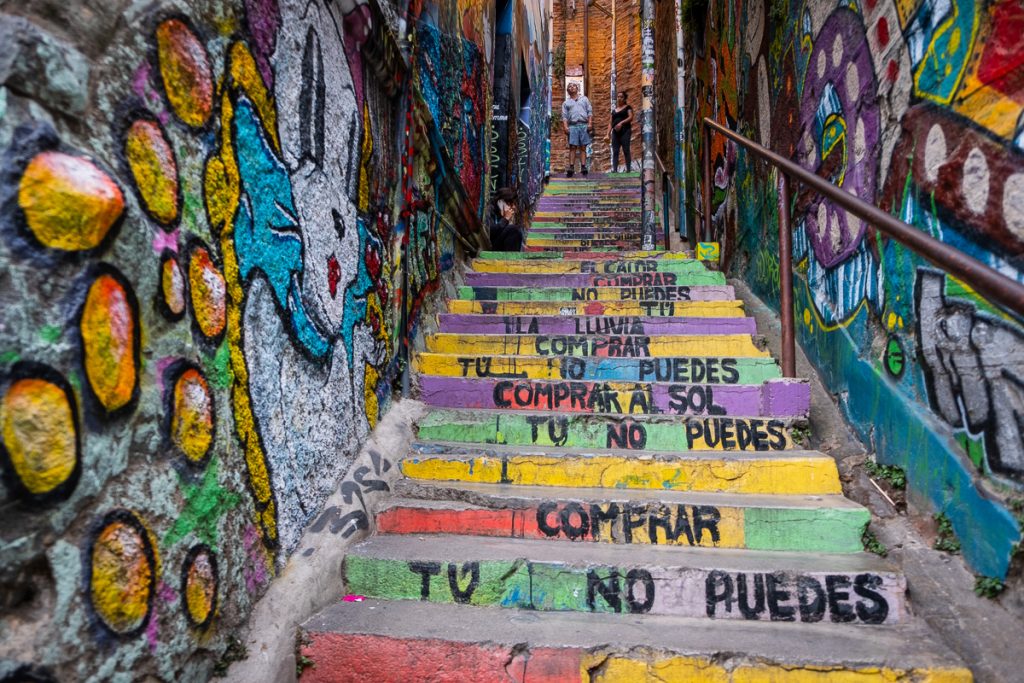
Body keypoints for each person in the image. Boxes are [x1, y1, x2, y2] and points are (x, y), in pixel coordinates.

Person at [561, 82, 593, 177]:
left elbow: (589, 112)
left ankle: (583, 166)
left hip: (583, 124)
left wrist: (590, 123)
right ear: (568, 90)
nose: (572, 87)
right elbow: (564, 116)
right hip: (573, 126)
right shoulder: (566, 103)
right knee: (573, 147)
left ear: (577, 88)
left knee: (583, 147)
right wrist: (565, 126)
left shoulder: (584, 99)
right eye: (569, 86)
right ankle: (571, 167)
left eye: (573, 86)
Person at [609, 91, 633, 172]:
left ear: (624, 98)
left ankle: (628, 169)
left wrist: (621, 123)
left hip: (625, 131)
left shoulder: (628, 108)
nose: (619, 98)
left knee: (626, 150)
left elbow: (630, 117)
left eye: (621, 97)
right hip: (615, 132)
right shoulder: (614, 110)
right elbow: (610, 123)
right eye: (618, 97)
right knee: (615, 151)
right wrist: (607, 133)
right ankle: (615, 170)